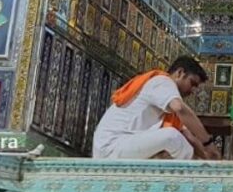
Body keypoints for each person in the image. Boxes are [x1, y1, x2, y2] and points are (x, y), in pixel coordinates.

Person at [92, 55, 221, 160]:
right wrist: (209, 144)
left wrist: (210, 158)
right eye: (192, 83)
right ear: (180, 73)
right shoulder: (162, 82)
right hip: (112, 145)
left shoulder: (165, 99)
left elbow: (188, 136)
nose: (192, 90)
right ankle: (193, 179)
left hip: (121, 146)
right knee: (172, 137)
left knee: (175, 145)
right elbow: (180, 109)